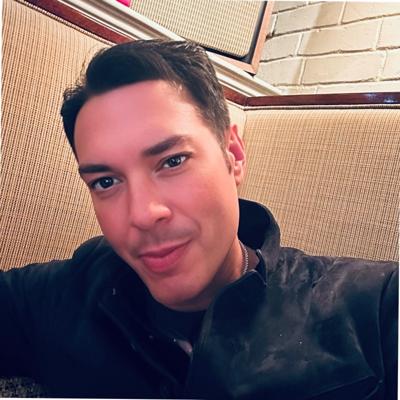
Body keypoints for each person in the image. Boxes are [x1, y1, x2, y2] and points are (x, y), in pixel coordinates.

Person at [0, 39, 397, 399]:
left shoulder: (377, 306)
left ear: (233, 155)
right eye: (106, 182)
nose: (142, 214)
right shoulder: (69, 293)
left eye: (172, 161)